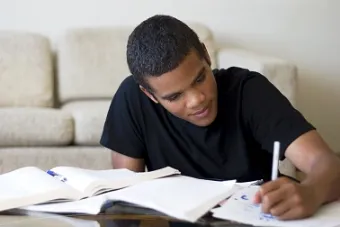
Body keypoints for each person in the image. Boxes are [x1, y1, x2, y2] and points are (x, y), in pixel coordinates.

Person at [100, 14, 340, 220]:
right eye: (175, 97)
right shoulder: (131, 98)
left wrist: (312, 192)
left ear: (206, 55)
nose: (197, 100)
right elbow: (126, 197)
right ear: (150, 94)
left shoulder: (250, 91)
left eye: (199, 78)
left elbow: (328, 165)